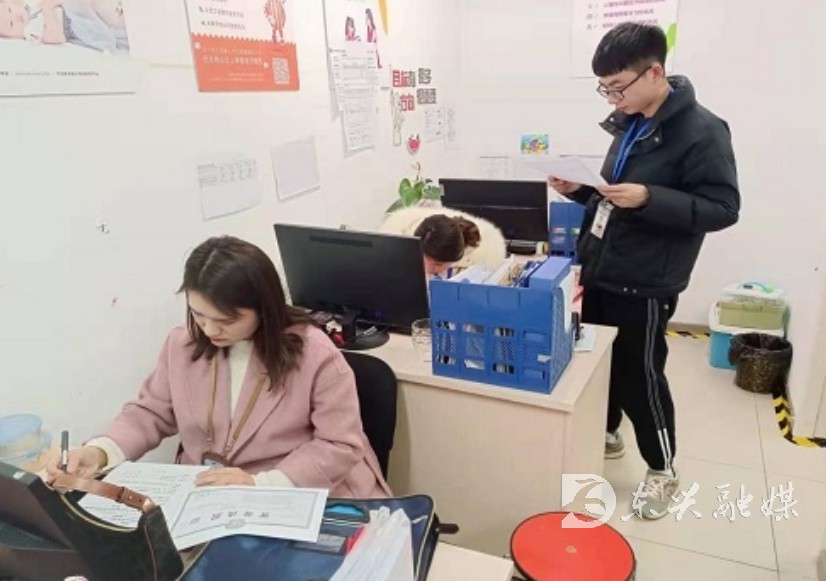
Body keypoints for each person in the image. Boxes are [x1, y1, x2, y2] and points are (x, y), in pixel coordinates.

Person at [548, 22, 739, 519]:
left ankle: (662, 469)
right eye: (605, 89)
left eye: (618, 87)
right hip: (602, 266)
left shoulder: (702, 131)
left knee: (641, 376)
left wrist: (651, 197)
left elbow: (723, 208)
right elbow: (616, 197)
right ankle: (607, 431)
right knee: (598, 362)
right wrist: (581, 190)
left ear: (655, 72)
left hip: (646, 279)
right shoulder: (630, 122)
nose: (613, 98)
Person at [46, 236, 391, 498]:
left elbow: (339, 445)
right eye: (198, 315)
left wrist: (262, 484)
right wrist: (99, 451)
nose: (210, 330)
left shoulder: (316, 354)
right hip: (209, 495)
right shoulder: (182, 344)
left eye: (226, 320)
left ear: (264, 308)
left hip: (291, 490)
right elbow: (149, 413)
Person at [380, 206, 506, 277]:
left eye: (438, 264)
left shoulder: (480, 261)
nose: (429, 267)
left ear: (456, 258)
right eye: (425, 258)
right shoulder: (403, 242)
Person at [0, 0, 129, 52]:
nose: (15, 17)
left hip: (71, 9)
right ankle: (122, 17)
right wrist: (48, 10)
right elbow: (57, 37)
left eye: (10, 10)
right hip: (74, 25)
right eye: (11, 24)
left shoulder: (31, 6)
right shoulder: (31, 31)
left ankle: (119, 10)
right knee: (105, 19)